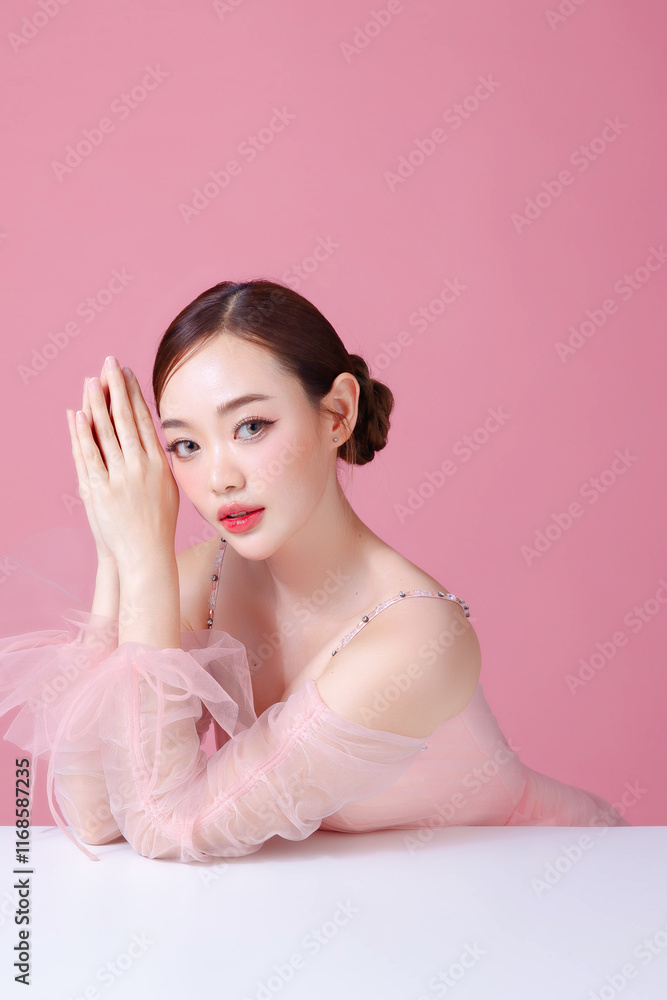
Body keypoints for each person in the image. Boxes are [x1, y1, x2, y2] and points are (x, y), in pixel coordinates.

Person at [0, 279, 629, 863]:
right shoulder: (199, 584)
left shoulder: (416, 639)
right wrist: (120, 552)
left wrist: (143, 562)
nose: (219, 478)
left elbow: (167, 828)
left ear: (337, 414)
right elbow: (96, 815)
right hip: (392, 908)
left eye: (251, 427)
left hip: (558, 877)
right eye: (186, 445)